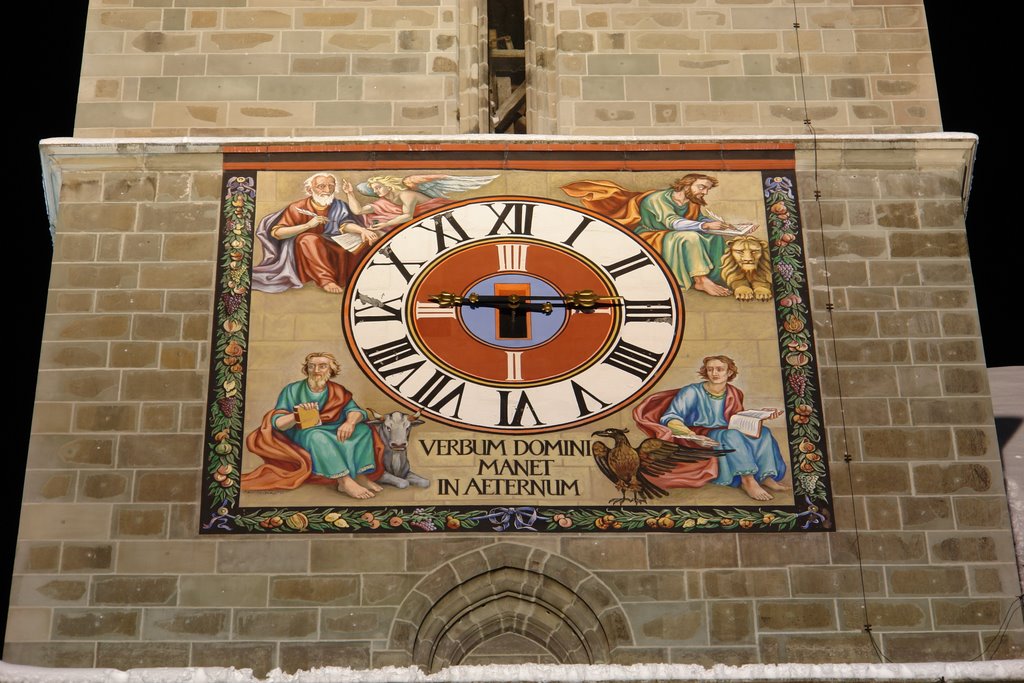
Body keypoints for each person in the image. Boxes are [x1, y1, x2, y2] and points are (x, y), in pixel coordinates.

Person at [633, 355, 789, 501]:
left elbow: (737, 418)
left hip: (728, 430)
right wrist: (694, 437)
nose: (714, 373)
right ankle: (747, 479)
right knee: (731, 436)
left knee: (764, 432)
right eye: (710, 369)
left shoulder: (734, 392)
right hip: (698, 435)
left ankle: (765, 476)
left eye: (719, 369)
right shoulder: (691, 392)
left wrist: (761, 414)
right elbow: (670, 418)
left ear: (729, 372)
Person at [562, 173, 745, 296]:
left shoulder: (691, 202)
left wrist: (724, 227)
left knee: (713, 236)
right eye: (702, 187)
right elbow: (673, 223)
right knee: (691, 237)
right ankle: (700, 280)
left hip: (669, 235)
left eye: (707, 189)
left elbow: (699, 219)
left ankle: (719, 276)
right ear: (687, 184)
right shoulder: (657, 199)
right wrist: (704, 226)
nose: (704, 192)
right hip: (651, 236)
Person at [242, 352, 385, 499]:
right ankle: (344, 480)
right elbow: (278, 422)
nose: (316, 370)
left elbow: (355, 411)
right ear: (307, 369)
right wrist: (298, 415)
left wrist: (349, 422)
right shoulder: (292, 390)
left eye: (322, 366)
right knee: (317, 436)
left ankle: (360, 476)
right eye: (312, 366)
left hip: (331, 427)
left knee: (363, 430)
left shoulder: (337, 390)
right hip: (303, 431)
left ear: (331, 369)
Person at [251, 173, 380, 294]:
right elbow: (278, 233)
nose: (327, 190)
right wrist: (308, 225)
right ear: (309, 190)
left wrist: (362, 230)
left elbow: (344, 225)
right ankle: (326, 280)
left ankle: (357, 278)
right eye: (321, 186)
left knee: (367, 239)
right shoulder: (297, 208)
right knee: (308, 239)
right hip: (308, 252)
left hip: (334, 244)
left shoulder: (339, 205)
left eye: (331, 186)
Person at [341, 175, 453, 233]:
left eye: (378, 187)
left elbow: (408, 216)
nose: (375, 191)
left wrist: (385, 224)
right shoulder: (384, 202)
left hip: (444, 215)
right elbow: (358, 211)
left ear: (389, 186)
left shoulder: (406, 195)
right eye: (374, 189)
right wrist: (349, 193)